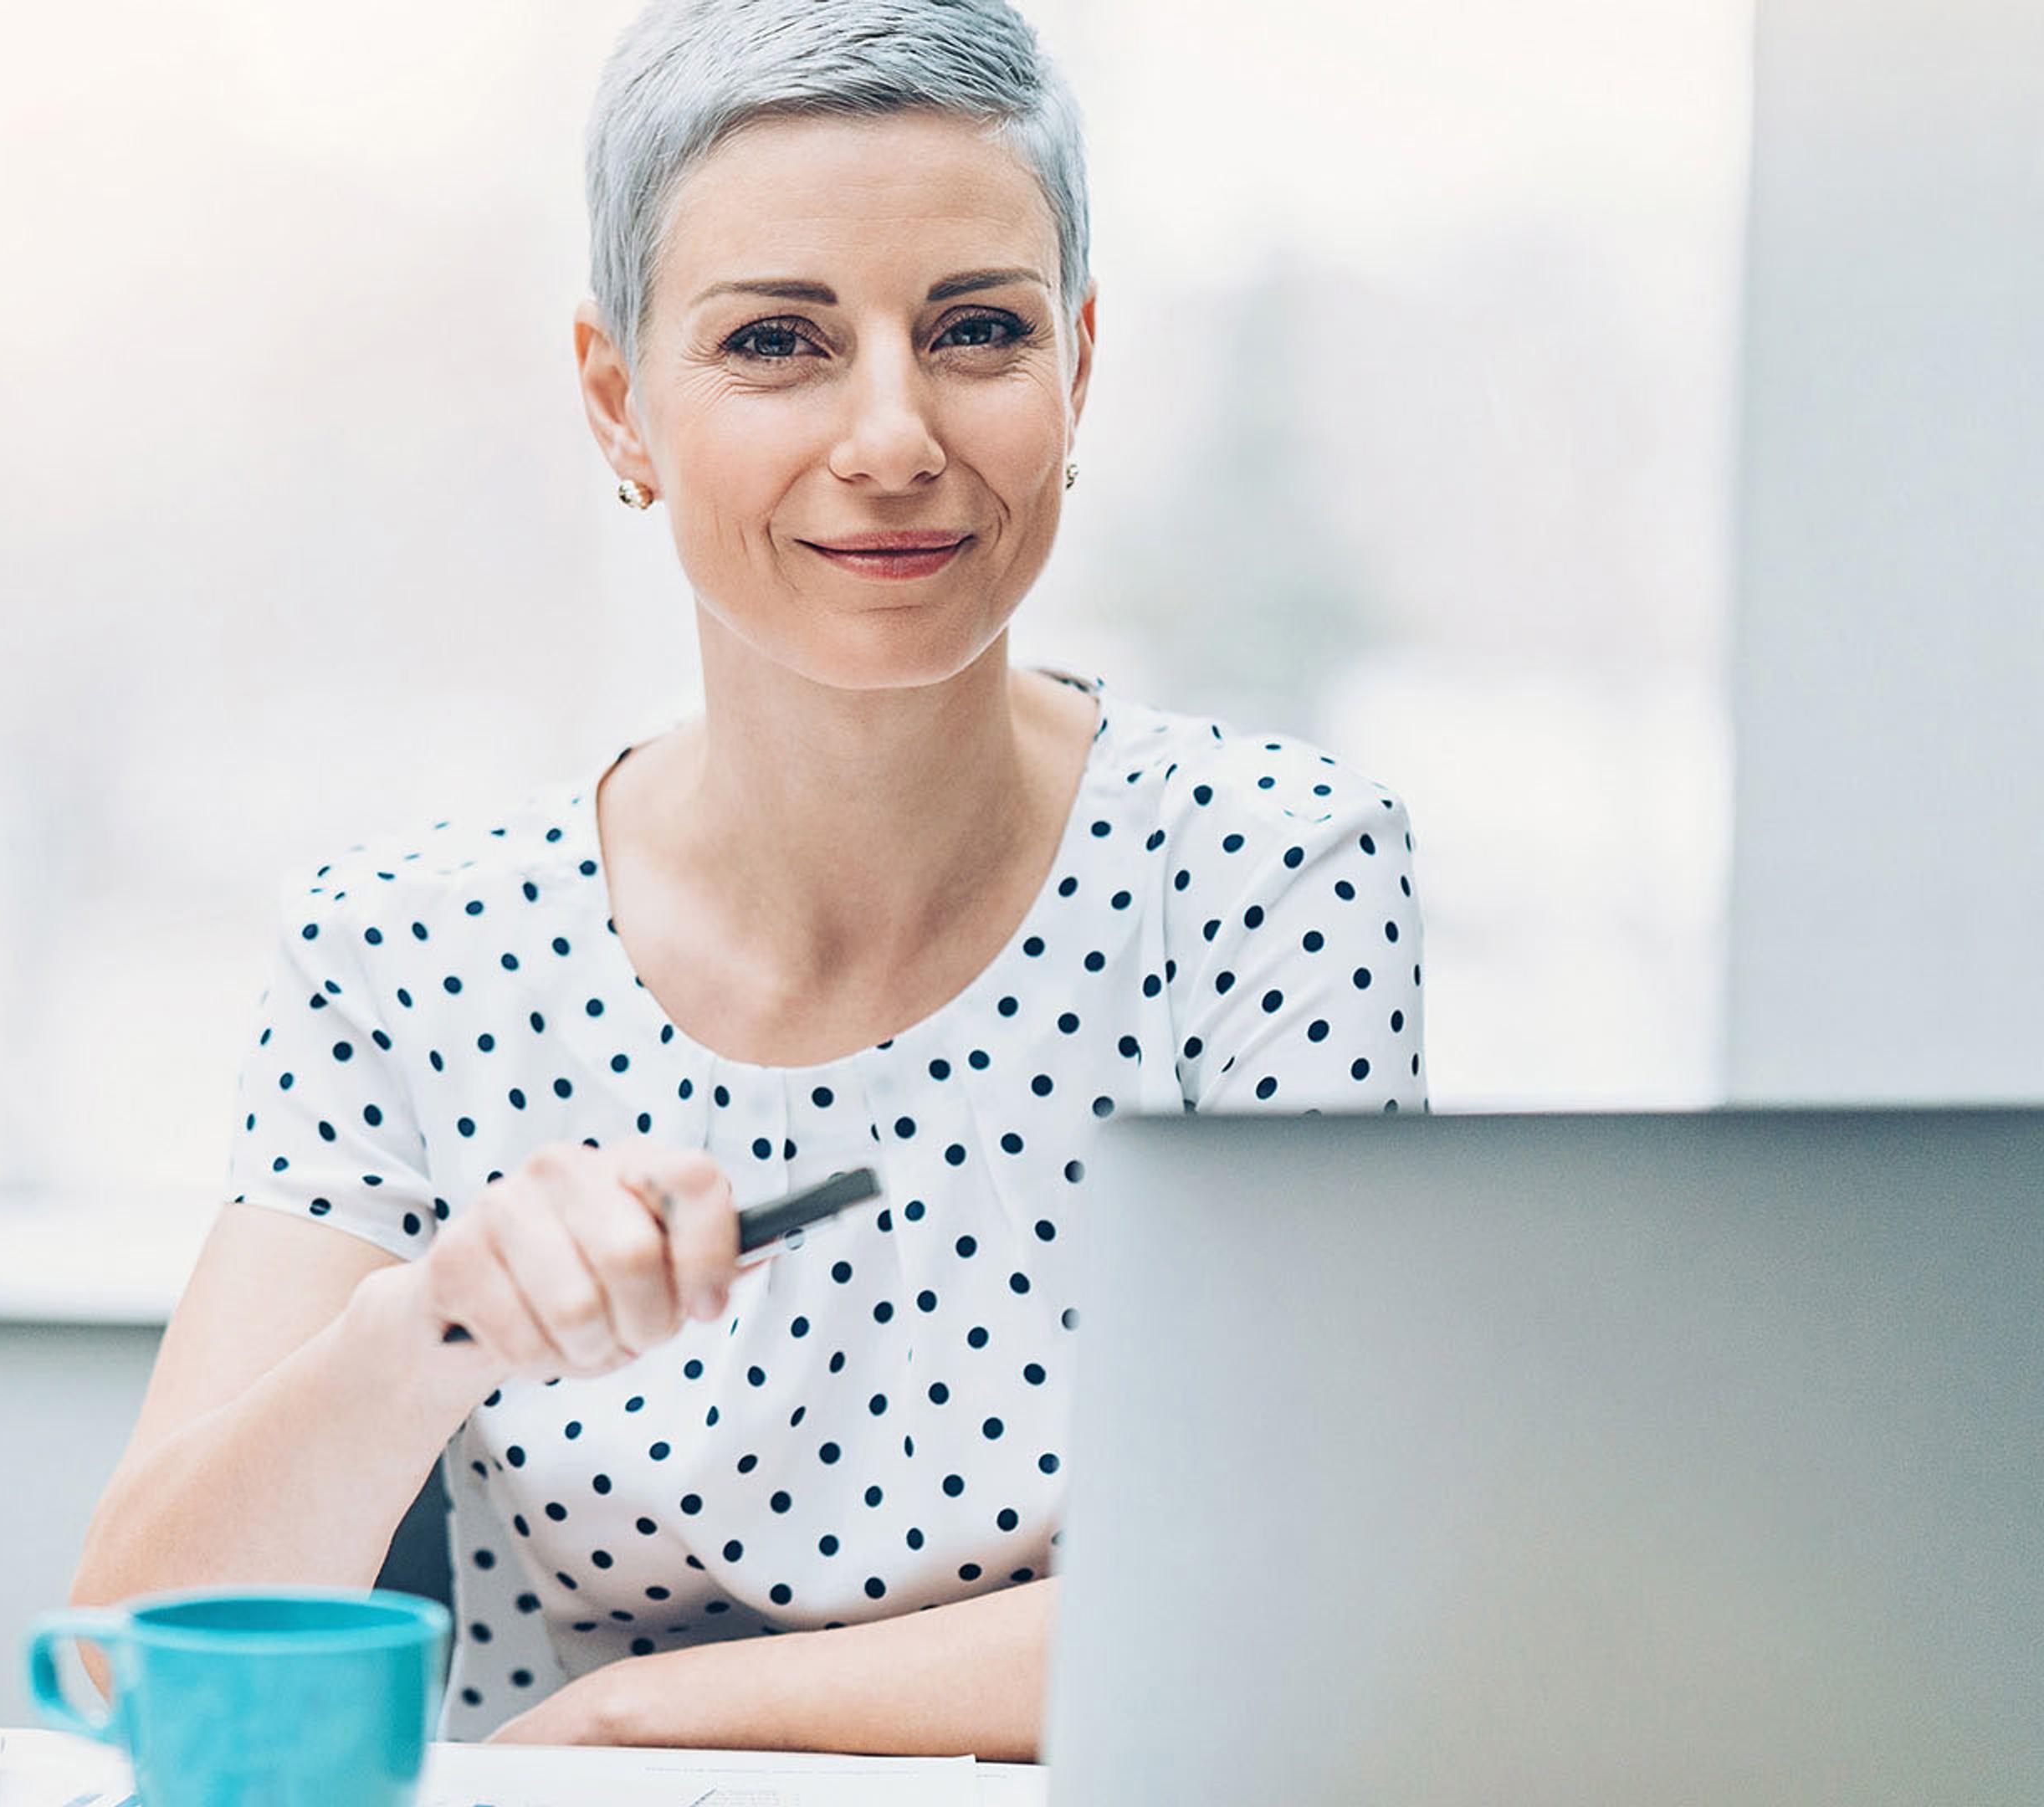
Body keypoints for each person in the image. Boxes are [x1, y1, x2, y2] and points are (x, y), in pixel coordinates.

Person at [69, 0, 1427, 1759]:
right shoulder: (408, 947)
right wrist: (428, 1335)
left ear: (1078, 369)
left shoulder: (1269, 874)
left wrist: (643, 1714)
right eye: (779, 340)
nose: (891, 436)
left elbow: (1313, 1590)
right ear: (620, 403)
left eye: (978, 332)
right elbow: (120, 1669)